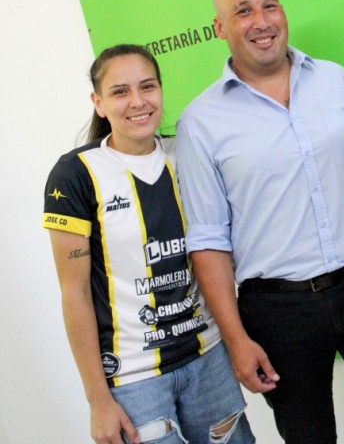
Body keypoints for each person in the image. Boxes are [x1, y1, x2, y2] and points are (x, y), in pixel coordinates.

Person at [175, 0, 344, 444]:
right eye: (244, 10)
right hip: (278, 310)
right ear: (219, 28)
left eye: (270, 5)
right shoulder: (199, 124)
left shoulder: (336, 81)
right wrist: (236, 339)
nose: (261, 21)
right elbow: (208, 241)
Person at [43, 44, 254, 444]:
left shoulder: (186, 153)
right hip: (133, 378)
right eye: (120, 91)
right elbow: (74, 295)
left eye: (147, 87)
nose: (137, 102)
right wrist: (97, 401)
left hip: (207, 356)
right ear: (98, 103)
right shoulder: (76, 174)